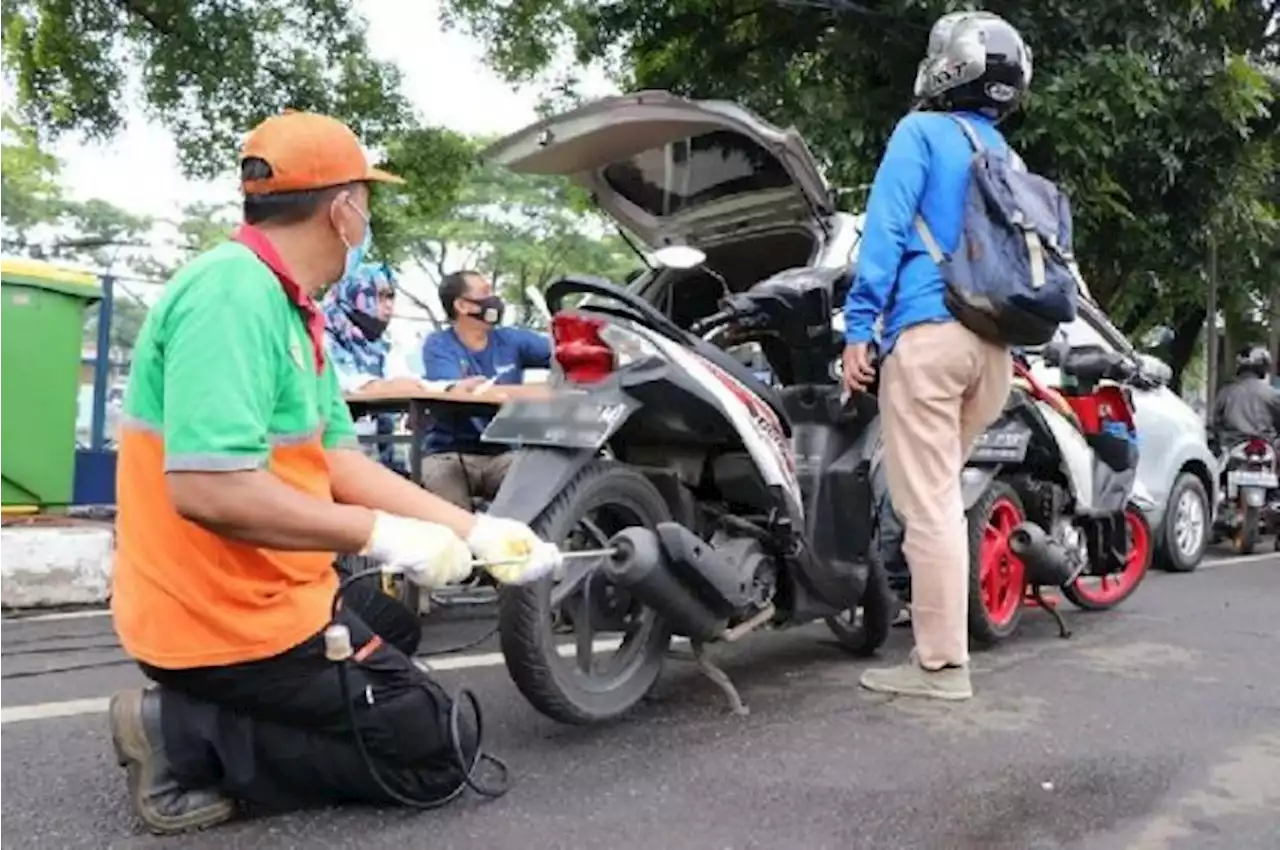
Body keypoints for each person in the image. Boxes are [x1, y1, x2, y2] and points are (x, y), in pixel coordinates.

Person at [107, 111, 562, 835]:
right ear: (343, 207)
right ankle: (179, 734)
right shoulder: (231, 296)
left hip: (270, 591)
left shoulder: (293, 311)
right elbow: (207, 488)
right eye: (366, 199)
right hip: (220, 619)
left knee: (391, 617)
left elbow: (339, 463)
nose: (367, 216)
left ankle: (220, 709)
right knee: (442, 749)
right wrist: (386, 534)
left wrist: (475, 529)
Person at [841, 11, 1032, 701]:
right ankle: (939, 650)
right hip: (993, 354)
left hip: (929, 337)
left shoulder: (920, 133)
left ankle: (941, 666)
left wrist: (859, 329)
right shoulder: (1010, 160)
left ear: (946, 67)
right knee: (940, 497)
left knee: (929, 509)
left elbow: (886, 234)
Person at [418, 270, 551, 508]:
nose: (495, 300)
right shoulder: (438, 345)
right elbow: (462, 392)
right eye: (485, 293)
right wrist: (534, 392)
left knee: (536, 483)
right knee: (443, 494)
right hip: (448, 454)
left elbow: (560, 354)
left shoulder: (512, 339)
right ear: (462, 306)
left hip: (503, 455)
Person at [322, 261, 421, 473]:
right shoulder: (321, 335)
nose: (389, 305)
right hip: (334, 455)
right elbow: (346, 383)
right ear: (354, 295)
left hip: (384, 456)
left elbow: (406, 382)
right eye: (380, 296)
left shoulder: (384, 343)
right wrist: (384, 386)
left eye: (391, 297)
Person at [1212, 345, 1280, 448]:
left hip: (1231, 449)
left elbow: (1213, 425)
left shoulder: (1225, 393)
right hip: (1266, 450)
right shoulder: (1272, 394)